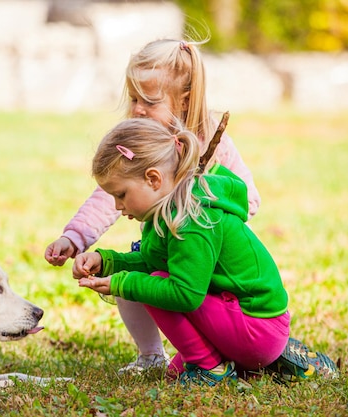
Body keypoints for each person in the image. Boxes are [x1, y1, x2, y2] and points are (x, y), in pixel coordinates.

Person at [45, 37, 261, 374]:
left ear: (185, 101)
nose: (138, 109)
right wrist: (74, 238)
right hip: (164, 245)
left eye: (150, 100)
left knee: (179, 287)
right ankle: (151, 355)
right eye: (133, 99)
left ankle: (212, 353)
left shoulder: (211, 142)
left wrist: (201, 201)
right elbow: (106, 197)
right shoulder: (135, 144)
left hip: (207, 256)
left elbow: (249, 198)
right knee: (132, 275)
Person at [73, 117, 290, 385]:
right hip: (242, 320)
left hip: (258, 328)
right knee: (174, 371)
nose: (118, 206)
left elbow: (184, 294)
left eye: (121, 195)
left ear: (153, 178)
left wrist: (125, 284)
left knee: (156, 286)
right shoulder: (167, 210)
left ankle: (210, 369)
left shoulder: (193, 220)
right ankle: (235, 364)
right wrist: (107, 262)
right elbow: (153, 261)